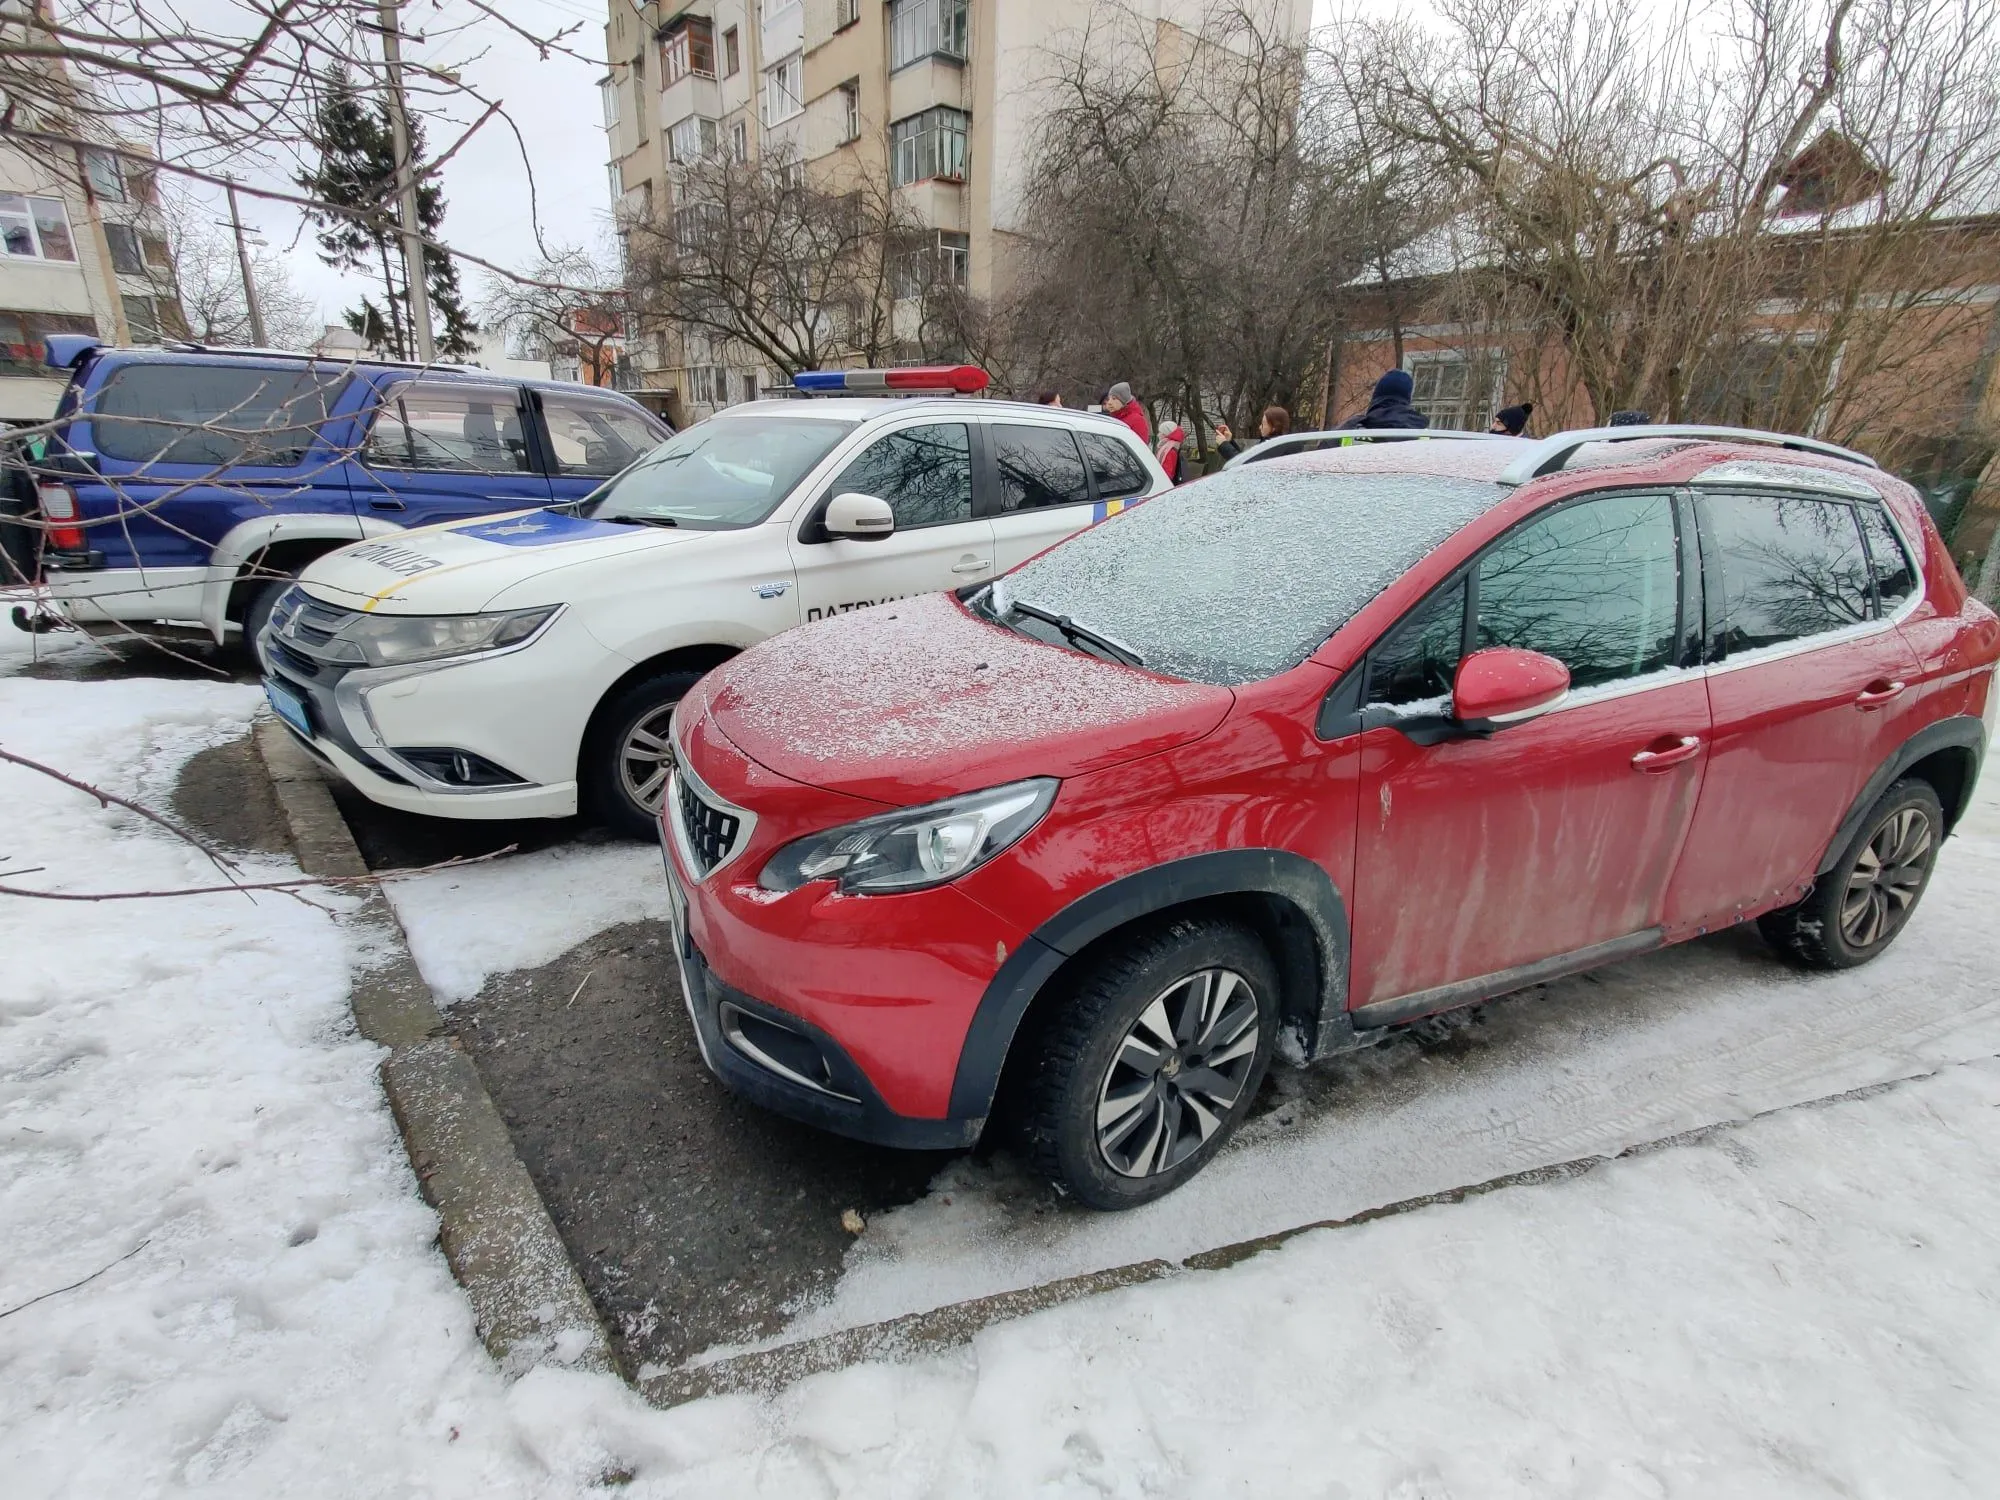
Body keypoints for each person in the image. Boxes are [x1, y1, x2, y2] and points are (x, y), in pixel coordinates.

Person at [1339, 370, 1428, 430]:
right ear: (1407, 400)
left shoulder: (1351, 428)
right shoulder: (1424, 436)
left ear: (1376, 397)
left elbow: (1326, 450)